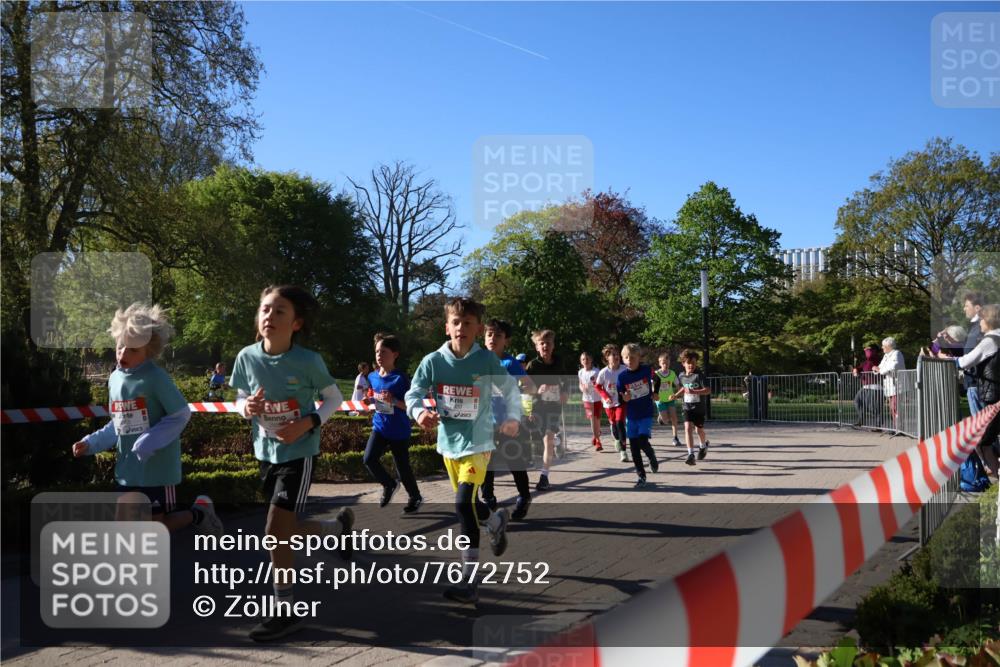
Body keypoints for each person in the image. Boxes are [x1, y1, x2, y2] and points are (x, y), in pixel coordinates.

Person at [230, 285, 353, 641]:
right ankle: (334, 529)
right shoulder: (247, 357)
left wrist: (308, 422)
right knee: (285, 529)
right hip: (265, 453)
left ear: (296, 323)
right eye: (265, 309)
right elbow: (240, 396)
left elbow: (333, 398)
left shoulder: (308, 361)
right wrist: (245, 408)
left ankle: (285, 611)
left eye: (279, 311)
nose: (269, 316)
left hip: (299, 455)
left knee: (273, 531)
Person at [405, 297, 520, 604]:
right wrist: (419, 413)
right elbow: (413, 393)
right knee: (469, 505)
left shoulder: (485, 361)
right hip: (449, 445)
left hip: (479, 443)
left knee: (460, 504)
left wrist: (512, 417)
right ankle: (495, 521)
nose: (461, 328)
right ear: (447, 327)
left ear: (477, 328)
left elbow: (510, 389)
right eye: (456, 322)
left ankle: (469, 582)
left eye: (468, 323)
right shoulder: (433, 361)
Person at [72, 303, 223, 535]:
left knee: (154, 529)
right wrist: (91, 443)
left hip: (156, 472)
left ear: (147, 351)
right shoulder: (114, 379)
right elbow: (118, 423)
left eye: (133, 350)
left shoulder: (155, 377)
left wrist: (150, 440)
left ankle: (199, 513)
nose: (123, 353)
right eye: (121, 346)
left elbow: (181, 414)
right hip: (127, 470)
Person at [929, 303, 1000, 476]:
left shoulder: (990, 340)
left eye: (982, 318)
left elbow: (964, 362)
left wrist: (942, 358)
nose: (979, 322)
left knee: (978, 440)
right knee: (984, 439)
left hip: (993, 397)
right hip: (994, 395)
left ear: (988, 320)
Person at [480, 319, 536, 520]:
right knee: (486, 460)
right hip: (485, 421)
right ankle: (488, 497)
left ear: (506, 341)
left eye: (498, 335)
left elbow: (529, 386)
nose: (492, 338)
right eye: (489, 335)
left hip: (508, 422)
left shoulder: (510, 363)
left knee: (514, 459)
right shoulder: (478, 360)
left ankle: (524, 496)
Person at [363, 333, 422, 514]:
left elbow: (411, 406)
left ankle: (415, 497)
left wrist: (395, 401)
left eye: (384, 352)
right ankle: (389, 485)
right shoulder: (372, 376)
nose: (379, 356)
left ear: (395, 354)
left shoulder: (401, 379)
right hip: (380, 426)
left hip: (399, 430)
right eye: (377, 352)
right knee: (368, 459)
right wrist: (370, 400)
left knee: (403, 469)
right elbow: (377, 397)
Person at [525, 330, 570, 491]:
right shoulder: (532, 365)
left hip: (554, 407)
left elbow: (565, 381)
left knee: (547, 440)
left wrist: (565, 393)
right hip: (538, 408)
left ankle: (544, 476)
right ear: (537, 347)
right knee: (541, 439)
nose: (545, 346)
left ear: (553, 346)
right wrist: (537, 389)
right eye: (541, 343)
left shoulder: (559, 362)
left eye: (548, 343)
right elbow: (525, 387)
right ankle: (558, 440)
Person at [617, 344, 659, 487]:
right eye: (626, 357)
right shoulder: (622, 377)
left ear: (639, 358)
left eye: (633, 357)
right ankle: (641, 476)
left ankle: (651, 455)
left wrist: (656, 392)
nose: (630, 360)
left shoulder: (647, 370)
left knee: (642, 441)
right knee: (634, 449)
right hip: (632, 416)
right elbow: (619, 395)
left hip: (645, 413)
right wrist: (624, 398)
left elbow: (657, 379)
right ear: (623, 359)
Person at [671, 349, 712, 466]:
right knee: (687, 427)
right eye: (688, 363)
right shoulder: (681, 376)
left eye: (693, 363)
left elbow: (708, 390)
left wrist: (694, 391)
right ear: (683, 363)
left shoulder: (699, 376)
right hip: (687, 406)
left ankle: (703, 445)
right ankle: (690, 454)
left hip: (699, 408)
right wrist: (676, 395)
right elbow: (684, 388)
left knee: (699, 430)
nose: (691, 365)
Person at [595, 343, 629, 462]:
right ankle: (616, 439)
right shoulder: (604, 372)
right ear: (607, 358)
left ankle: (624, 452)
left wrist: (627, 393)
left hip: (621, 401)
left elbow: (630, 382)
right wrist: (605, 396)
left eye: (617, 355)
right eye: (612, 355)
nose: (616, 357)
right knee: (614, 425)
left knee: (620, 423)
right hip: (609, 403)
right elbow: (598, 386)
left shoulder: (624, 369)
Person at [962, 292, 986, 415]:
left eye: (967, 305)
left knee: (981, 429)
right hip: (975, 382)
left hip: (977, 383)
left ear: (977, 308)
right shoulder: (975, 327)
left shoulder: (981, 327)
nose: (964, 308)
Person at [874, 337, 905, 426]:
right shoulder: (886, 355)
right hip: (890, 386)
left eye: (883, 346)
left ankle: (899, 427)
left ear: (889, 346)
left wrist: (880, 370)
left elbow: (893, 366)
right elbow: (880, 367)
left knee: (895, 407)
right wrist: (876, 369)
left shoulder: (897, 353)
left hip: (897, 385)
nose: (882, 347)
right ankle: (896, 426)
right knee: (892, 407)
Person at [655, 352, 682, 447]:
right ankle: (661, 417)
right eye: (663, 363)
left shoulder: (672, 374)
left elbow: (678, 386)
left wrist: (676, 394)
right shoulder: (656, 374)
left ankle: (675, 438)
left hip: (670, 398)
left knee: (674, 418)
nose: (665, 365)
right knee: (666, 420)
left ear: (669, 363)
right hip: (660, 400)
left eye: (667, 363)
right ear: (659, 363)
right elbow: (651, 387)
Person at [578, 351, 603, 451]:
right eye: (583, 359)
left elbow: (601, 384)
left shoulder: (596, 371)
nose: (585, 361)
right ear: (581, 361)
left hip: (597, 399)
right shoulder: (580, 372)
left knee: (597, 419)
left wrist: (594, 386)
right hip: (587, 399)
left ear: (591, 360)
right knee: (592, 419)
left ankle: (596, 434)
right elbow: (580, 384)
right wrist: (582, 388)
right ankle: (598, 441)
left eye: (587, 359)